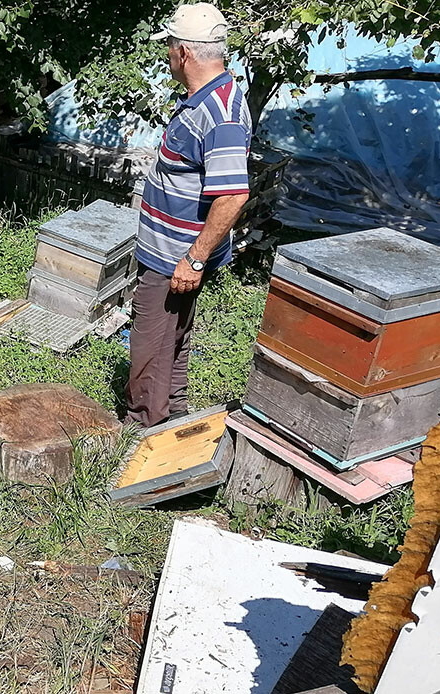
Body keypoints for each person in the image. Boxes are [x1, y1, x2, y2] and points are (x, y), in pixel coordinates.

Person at [125, 2, 252, 428]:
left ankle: (142, 430)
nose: (167, 56)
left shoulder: (220, 116)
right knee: (172, 339)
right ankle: (172, 414)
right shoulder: (206, 101)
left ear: (183, 53)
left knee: (151, 343)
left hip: (176, 257)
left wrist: (194, 258)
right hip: (174, 253)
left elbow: (233, 195)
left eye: (169, 48)